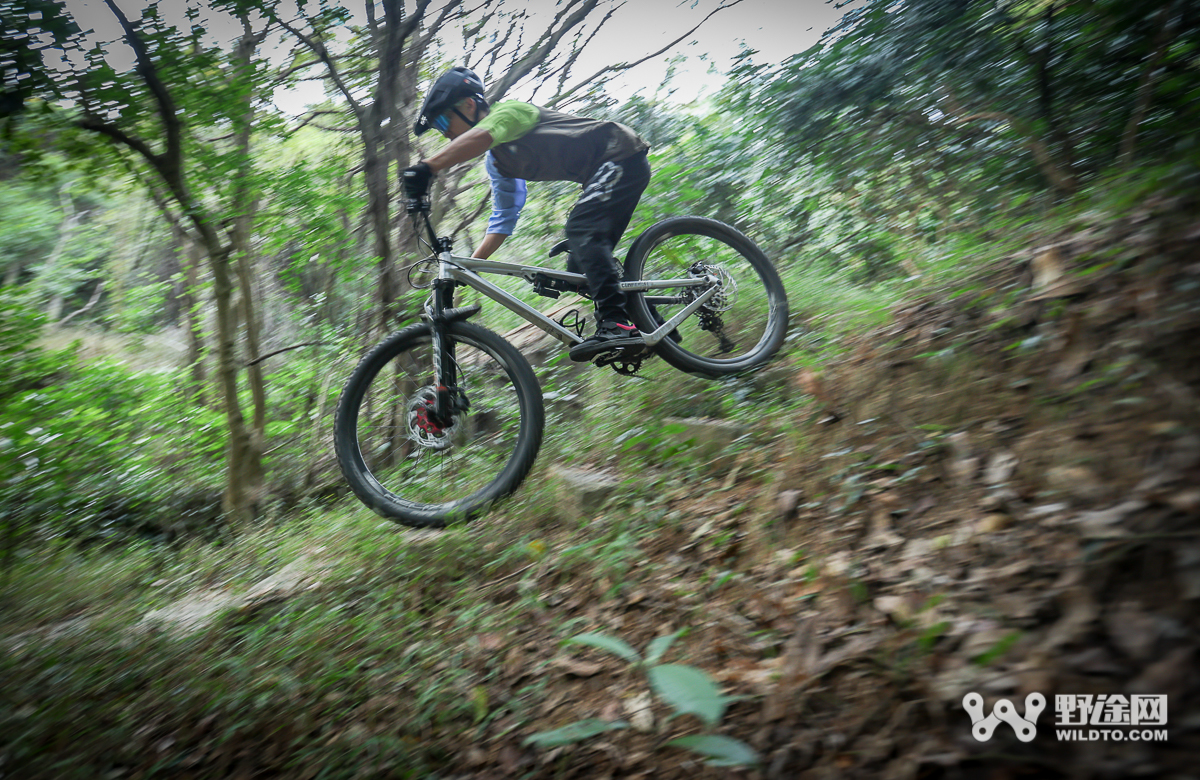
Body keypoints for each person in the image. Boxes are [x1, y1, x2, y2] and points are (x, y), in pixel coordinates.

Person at [402, 66, 651, 362]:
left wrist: (428, 167)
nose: (443, 132)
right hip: (606, 173)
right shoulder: (499, 163)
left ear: (469, 105)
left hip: (620, 153)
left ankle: (617, 324)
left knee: (581, 230)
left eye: (443, 120)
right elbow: (504, 218)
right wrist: (471, 266)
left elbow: (483, 135)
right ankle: (653, 330)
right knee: (578, 270)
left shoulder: (511, 113)